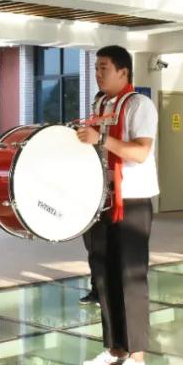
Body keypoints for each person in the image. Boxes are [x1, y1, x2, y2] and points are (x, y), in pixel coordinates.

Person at [77, 45, 158, 365]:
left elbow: (140, 152)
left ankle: (137, 356)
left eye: (104, 68)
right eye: (96, 68)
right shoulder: (100, 105)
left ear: (123, 72)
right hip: (102, 200)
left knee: (130, 278)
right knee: (103, 277)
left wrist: (101, 139)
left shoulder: (139, 104)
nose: (98, 73)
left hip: (132, 201)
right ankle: (114, 348)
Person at [80, 90, 107, 306]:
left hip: (107, 196)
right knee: (92, 248)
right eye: (95, 106)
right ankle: (96, 289)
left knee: (104, 248)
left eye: (100, 107)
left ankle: (105, 291)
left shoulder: (108, 134)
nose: (96, 110)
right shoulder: (87, 133)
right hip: (89, 196)